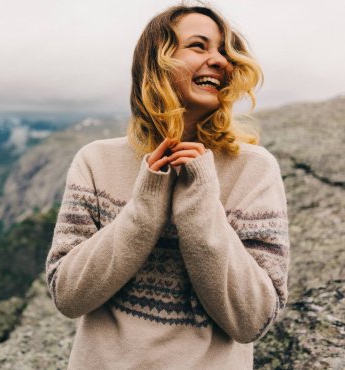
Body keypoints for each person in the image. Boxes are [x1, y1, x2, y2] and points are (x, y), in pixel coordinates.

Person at [46, 4, 289, 369]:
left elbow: (253, 320)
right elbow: (68, 295)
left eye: (224, 50)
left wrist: (202, 202)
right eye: (199, 46)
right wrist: (144, 208)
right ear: (156, 63)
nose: (219, 60)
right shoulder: (95, 161)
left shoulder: (253, 169)